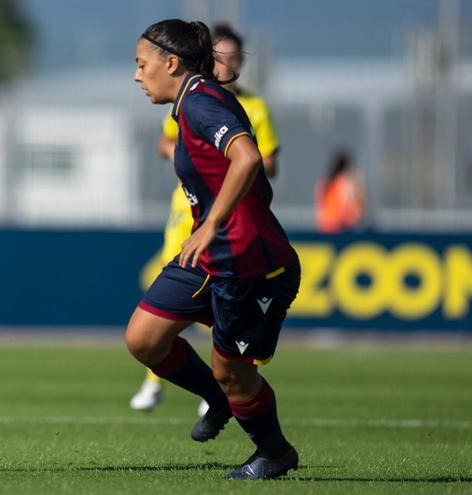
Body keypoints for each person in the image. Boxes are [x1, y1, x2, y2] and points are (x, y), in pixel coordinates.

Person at [127, 19, 301, 480]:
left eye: (142, 65)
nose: (137, 75)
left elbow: (247, 157)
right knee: (143, 338)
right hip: (211, 256)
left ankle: (274, 452)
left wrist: (212, 224)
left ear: (172, 62)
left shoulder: (203, 103)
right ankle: (220, 399)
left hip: (251, 262)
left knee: (235, 373)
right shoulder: (186, 106)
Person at [315, 150, 365, 233]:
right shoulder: (344, 181)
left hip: (325, 225)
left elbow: (320, 203)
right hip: (341, 226)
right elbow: (348, 204)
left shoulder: (324, 181)